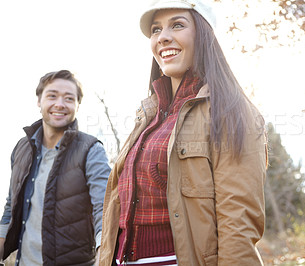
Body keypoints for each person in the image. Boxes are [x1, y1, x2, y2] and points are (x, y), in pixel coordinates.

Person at [100, 0, 267, 265]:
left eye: (177, 25)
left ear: (203, 34)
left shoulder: (231, 111)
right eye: (156, 30)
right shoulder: (148, 115)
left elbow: (238, 225)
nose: (163, 37)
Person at [0, 70, 111, 266]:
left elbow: (105, 210)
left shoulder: (92, 150)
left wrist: (104, 258)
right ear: (39, 100)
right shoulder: (21, 149)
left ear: (77, 105)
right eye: (52, 96)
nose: (60, 104)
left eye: (69, 98)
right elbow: (10, 210)